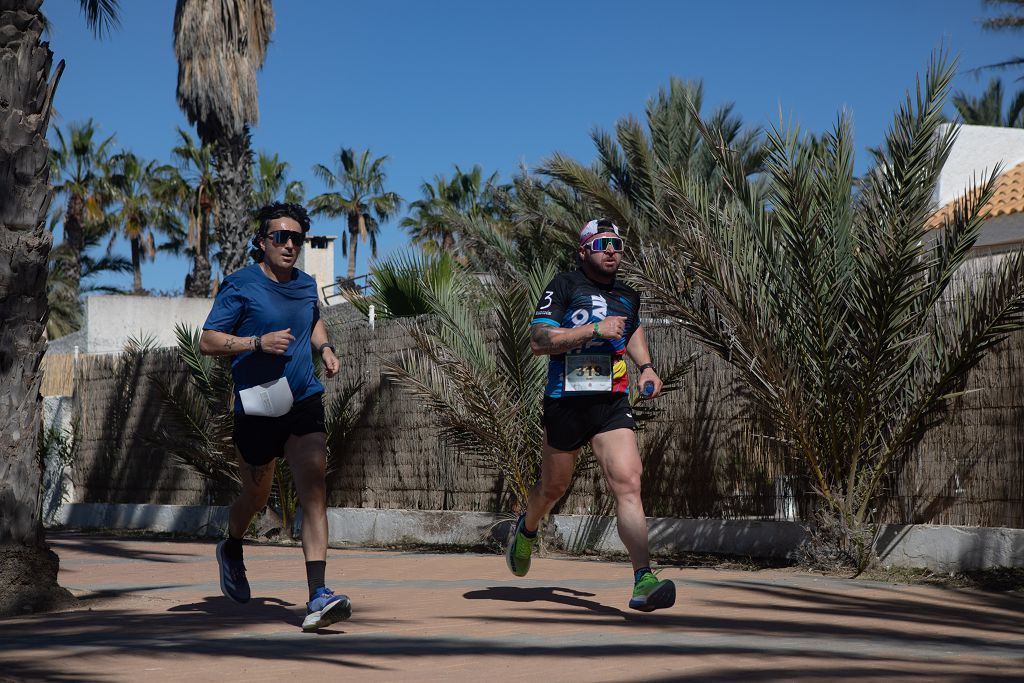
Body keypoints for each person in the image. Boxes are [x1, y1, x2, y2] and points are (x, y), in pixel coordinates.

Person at [505, 218, 676, 612]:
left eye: (617, 243)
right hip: (566, 401)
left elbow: (632, 330)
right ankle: (527, 528)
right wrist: (594, 330)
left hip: (611, 402)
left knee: (628, 481)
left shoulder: (628, 295)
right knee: (553, 488)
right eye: (601, 244)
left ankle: (643, 579)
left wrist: (646, 367)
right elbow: (538, 340)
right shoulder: (565, 285)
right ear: (583, 251)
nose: (611, 250)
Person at [199, 201, 350, 631]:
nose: (289, 245)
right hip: (258, 405)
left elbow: (312, 319)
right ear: (262, 242)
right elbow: (208, 341)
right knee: (256, 496)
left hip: (303, 399)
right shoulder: (240, 285)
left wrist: (325, 348)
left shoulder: (305, 285)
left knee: (314, 488)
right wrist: (256, 343)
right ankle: (231, 546)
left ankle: (318, 594)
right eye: (280, 237)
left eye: (296, 238)